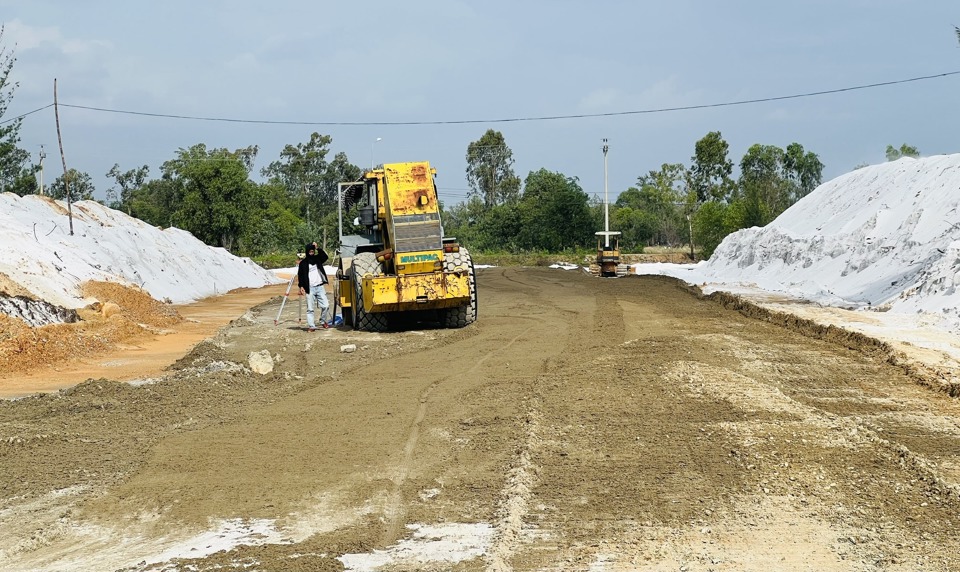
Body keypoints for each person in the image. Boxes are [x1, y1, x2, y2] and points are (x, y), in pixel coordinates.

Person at [297, 242, 330, 331]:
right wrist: (301, 287)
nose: (311, 253)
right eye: (310, 252)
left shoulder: (317, 259)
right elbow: (300, 276)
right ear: (307, 252)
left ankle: (323, 321)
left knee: (326, 306)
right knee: (310, 309)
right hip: (310, 288)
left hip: (320, 287)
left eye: (313, 251)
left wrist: (318, 248)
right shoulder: (303, 263)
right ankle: (311, 326)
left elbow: (325, 257)